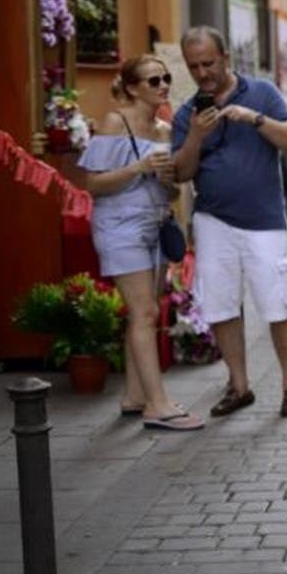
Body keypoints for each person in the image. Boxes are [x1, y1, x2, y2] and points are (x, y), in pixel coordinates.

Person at [171, 26, 287, 418]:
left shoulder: (261, 93)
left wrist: (255, 119)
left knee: (278, 305)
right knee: (220, 306)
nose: (202, 73)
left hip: (264, 221)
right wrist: (195, 136)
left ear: (226, 58)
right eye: (194, 66)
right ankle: (239, 385)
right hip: (213, 221)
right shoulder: (187, 113)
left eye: (209, 63)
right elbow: (180, 173)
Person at [78, 55, 204, 431]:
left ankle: (135, 395)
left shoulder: (165, 130)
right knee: (145, 311)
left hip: (155, 224)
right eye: (153, 81)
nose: (162, 85)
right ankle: (157, 404)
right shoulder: (117, 121)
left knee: (144, 313)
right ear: (132, 88)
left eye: (164, 78)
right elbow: (94, 184)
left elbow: (168, 191)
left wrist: (167, 179)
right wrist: (138, 168)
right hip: (120, 225)